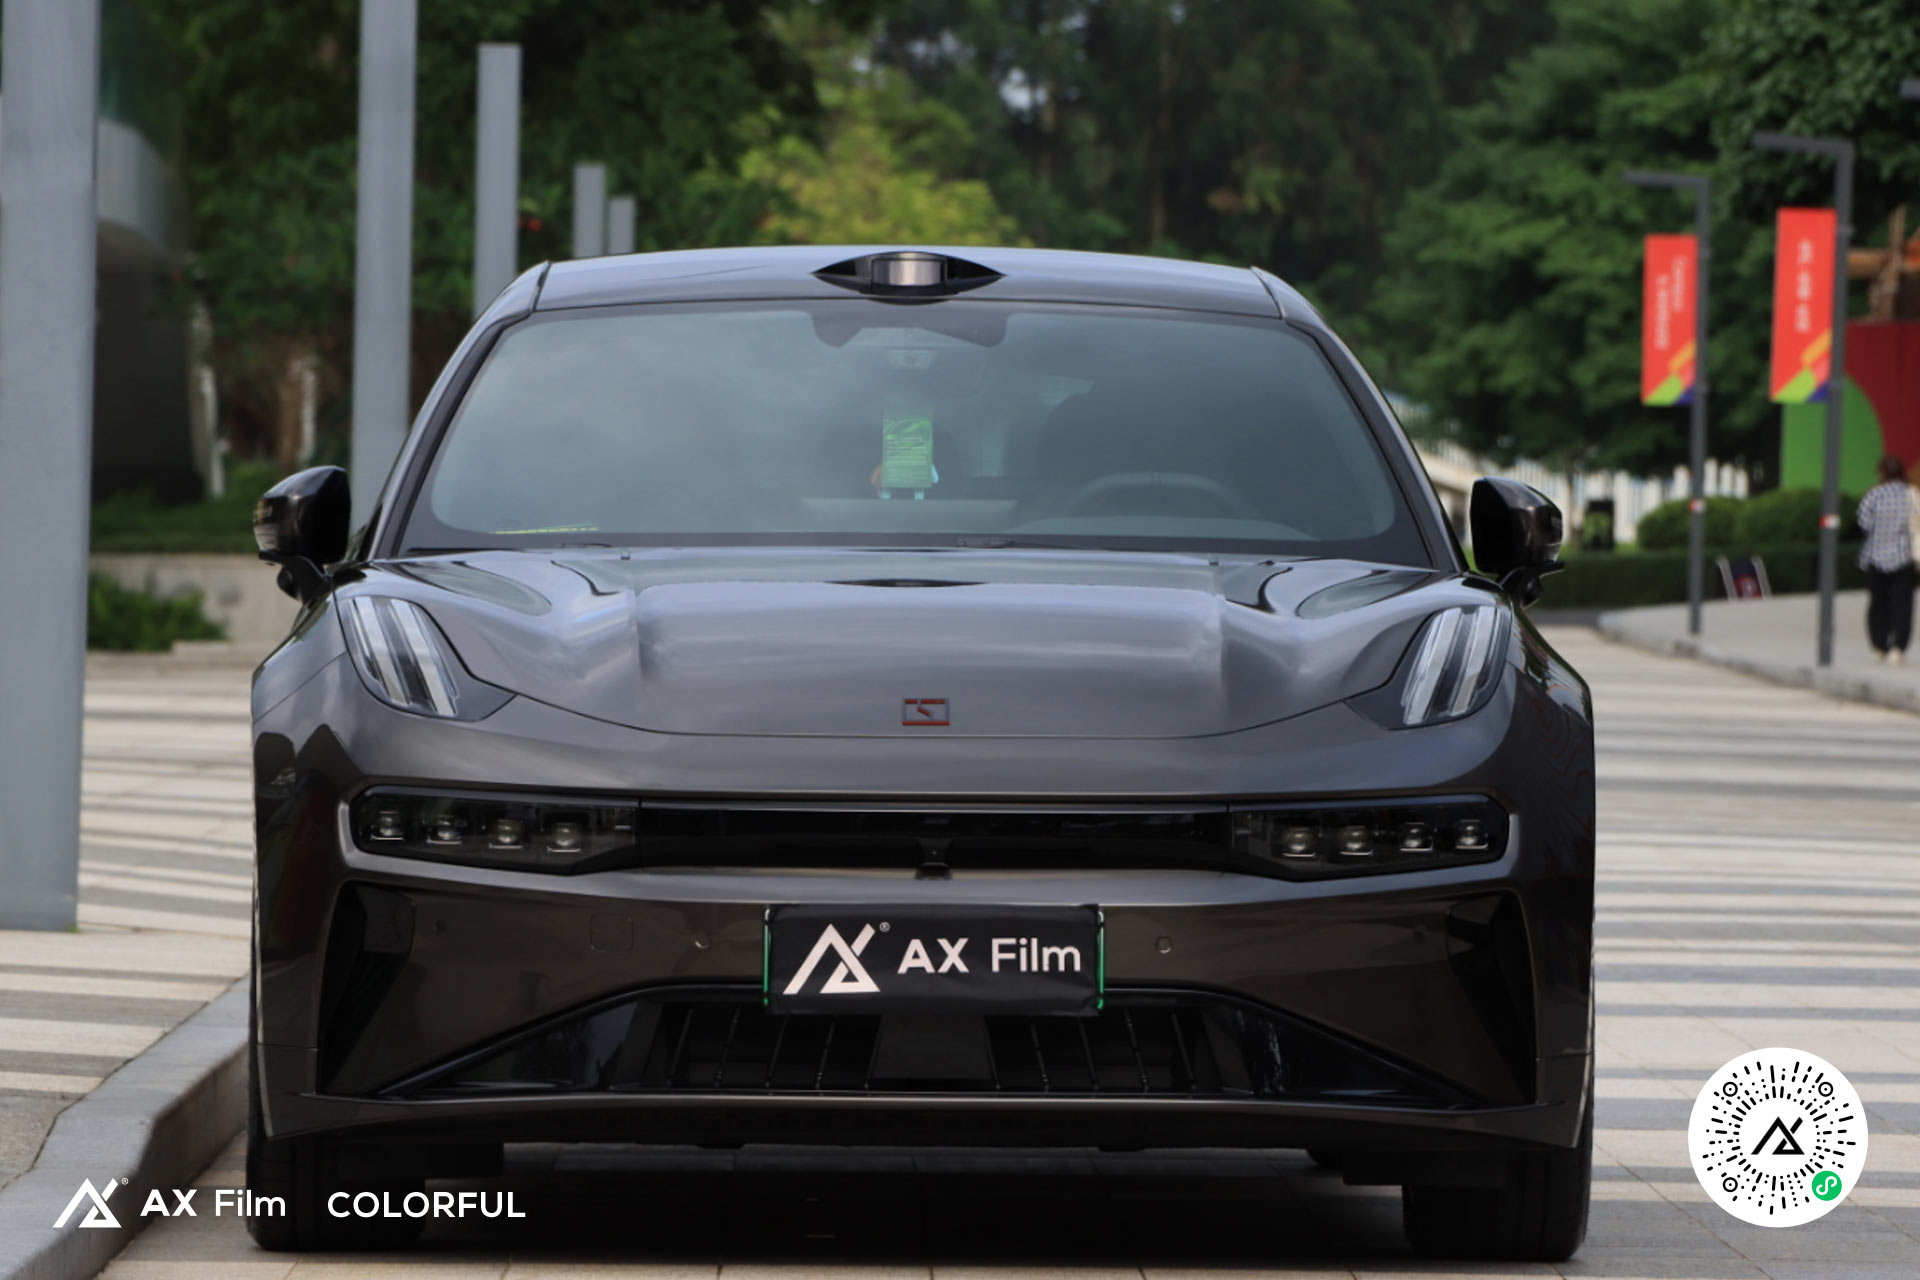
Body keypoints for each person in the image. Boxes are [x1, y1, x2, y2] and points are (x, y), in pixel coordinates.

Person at [1856, 454, 1916, 664]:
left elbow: (1863, 523)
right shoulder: (1912, 495)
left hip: (1875, 556)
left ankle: (1879, 645)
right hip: (1904, 557)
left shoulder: (1874, 495)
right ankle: (1898, 648)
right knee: (1903, 604)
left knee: (1878, 603)